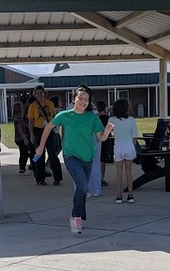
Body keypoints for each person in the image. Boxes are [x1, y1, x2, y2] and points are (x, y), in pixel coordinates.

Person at [35, 84, 114, 234]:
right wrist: (40, 147)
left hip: (87, 158)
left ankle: (79, 215)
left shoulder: (92, 117)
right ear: (74, 99)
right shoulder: (64, 115)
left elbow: (101, 138)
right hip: (71, 156)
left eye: (86, 99)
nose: (83, 101)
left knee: (82, 188)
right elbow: (48, 127)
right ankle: (76, 217)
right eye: (80, 98)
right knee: (83, 186)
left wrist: (108, 131)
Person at [28, 85, 63, 186]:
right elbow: (30, 121)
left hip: (49, 129)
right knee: (39, 154)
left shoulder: (50, 104)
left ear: (44, 93)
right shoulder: (33, 106)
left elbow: (53, 117)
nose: (39, 95)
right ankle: (40, 179)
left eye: (41, 93)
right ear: (35, 95)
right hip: (38, 130)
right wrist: (31, 134)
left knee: (53, 154)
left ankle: (57, 178)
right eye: (37, 93)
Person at [108, 98, 139, 203]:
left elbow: (107, 131)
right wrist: (133, 147)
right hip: (129, 145)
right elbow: (134, 136)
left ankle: (118, 196)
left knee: (119, 173)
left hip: (118, 146)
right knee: (128, 172)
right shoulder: (131, 119)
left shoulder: (112, 120)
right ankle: (130, 195)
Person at [12, 100, 33, 175]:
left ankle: (23, 168)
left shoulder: (20, 117)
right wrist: (25, 138)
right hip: (20, 138)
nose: (23, 107)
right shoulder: (18, 118)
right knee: (24, 153)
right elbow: (20, 129)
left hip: (19, 138)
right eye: (21, 106)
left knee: (24, 153)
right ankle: (22, 169)